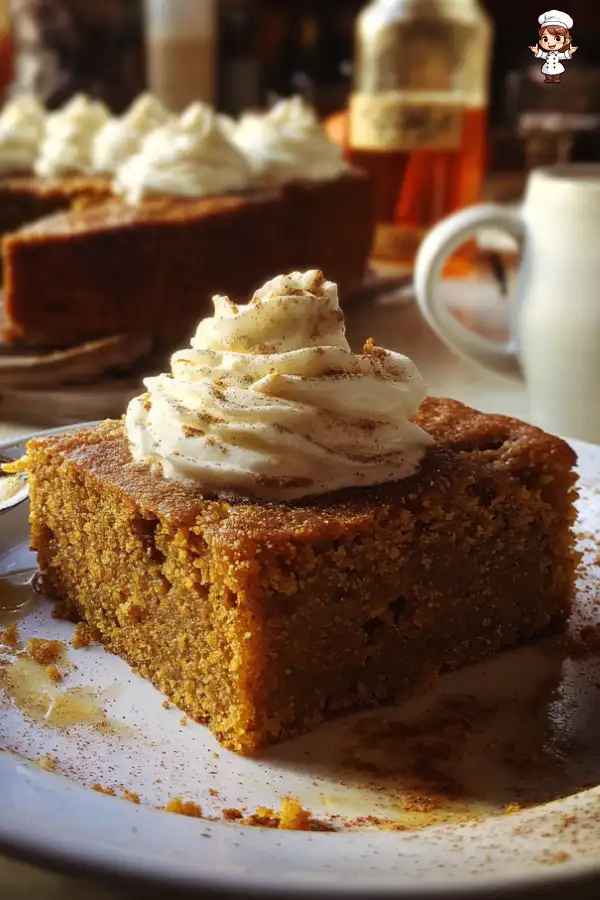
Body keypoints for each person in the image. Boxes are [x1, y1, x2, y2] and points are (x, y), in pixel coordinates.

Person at [529, 9, 578, 83]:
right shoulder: (535, 58)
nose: (551, 43)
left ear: (566, 40)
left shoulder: (572, 61)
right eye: (546, 39)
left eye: (557, 38)